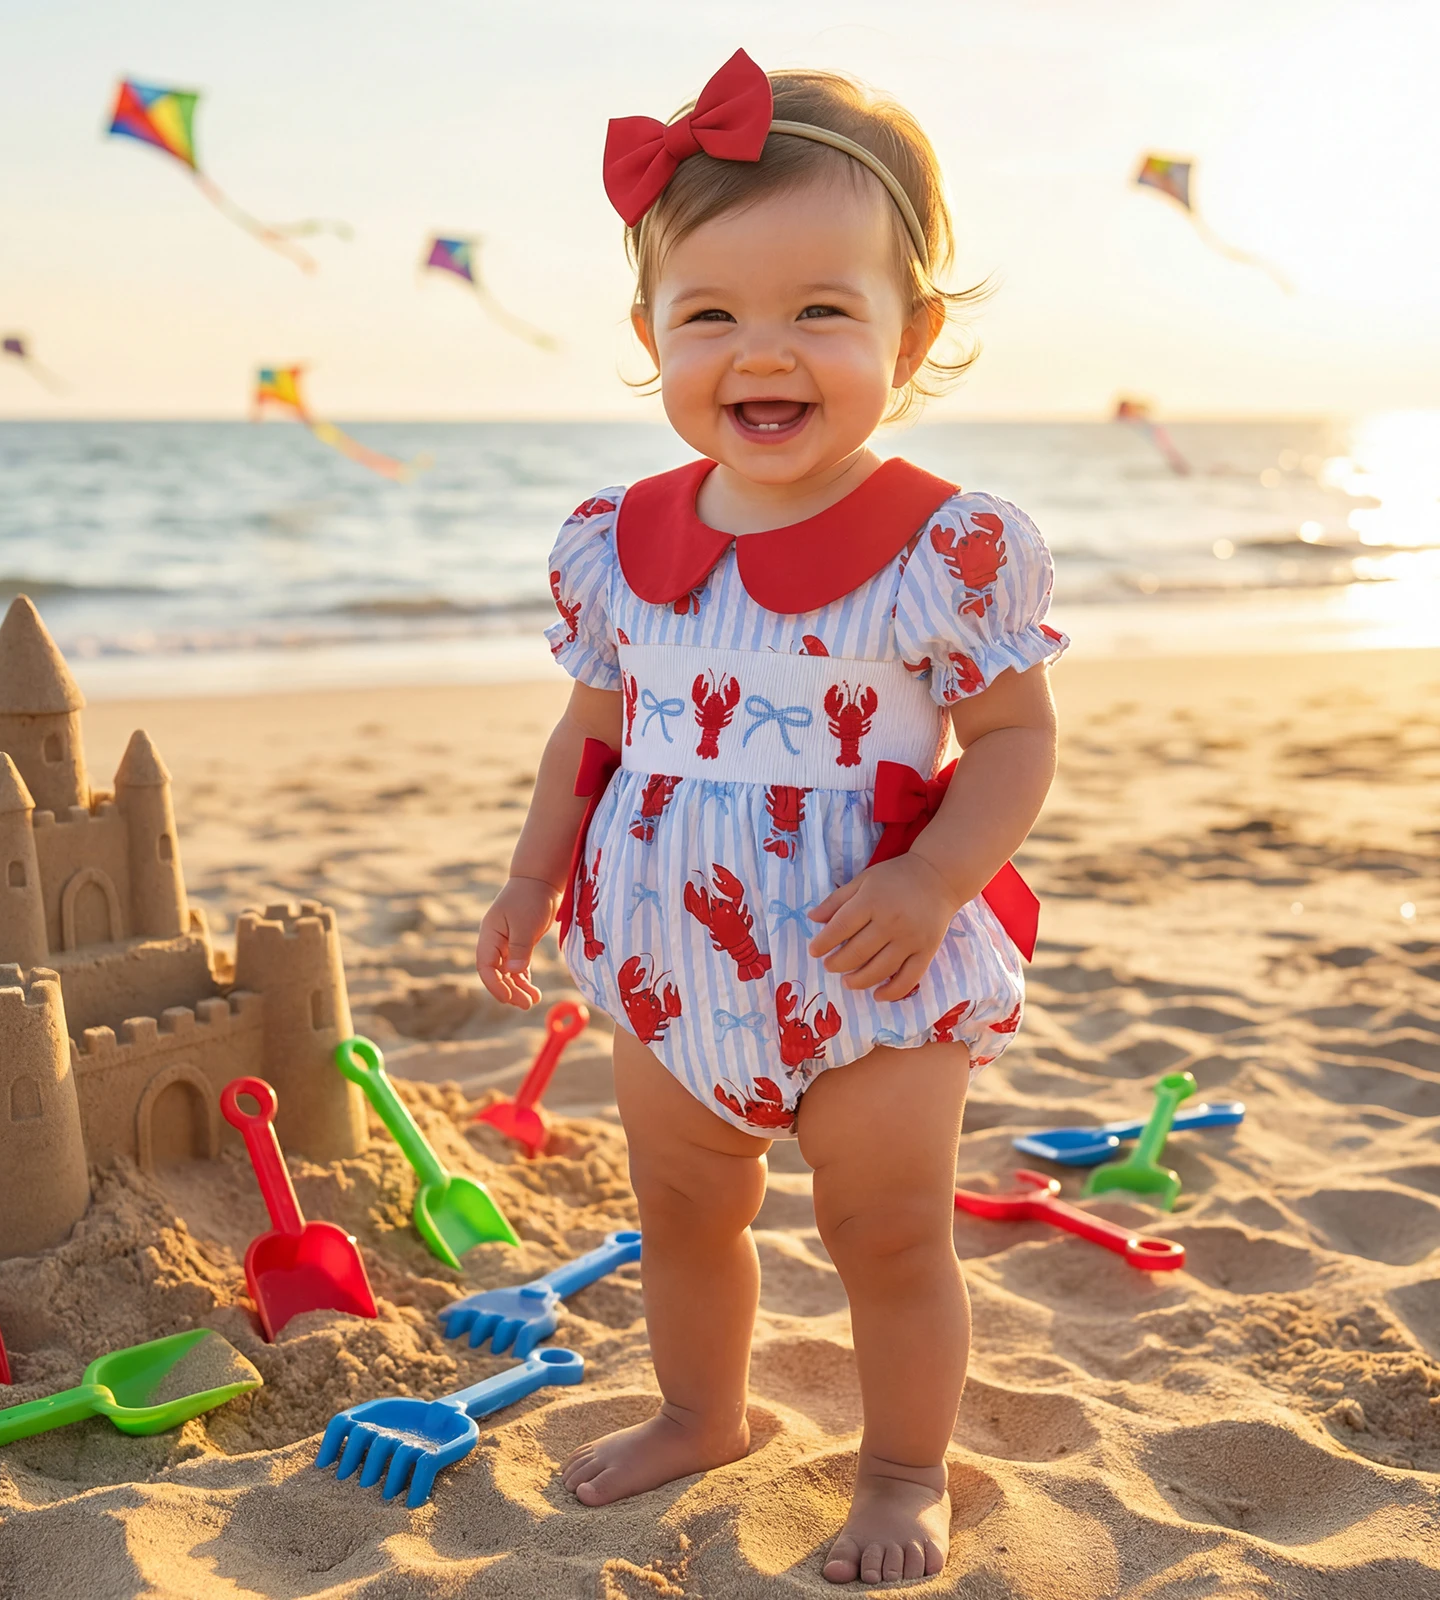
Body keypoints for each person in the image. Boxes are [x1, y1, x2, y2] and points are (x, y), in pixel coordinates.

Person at [476, 49, 1066, 1587]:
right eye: (714, 313)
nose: (766, 350)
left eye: (822, 309)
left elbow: (1012, 738)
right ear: (651, 334)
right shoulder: (617, 544)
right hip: (667, 954)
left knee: (884, 1233)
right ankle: (701, 1411)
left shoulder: (945, 546)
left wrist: (940, 879)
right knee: (681, 1205)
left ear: (912, 333)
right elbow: (590, 731)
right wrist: (533, 880)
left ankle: (897, 1467)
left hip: (868, 964)